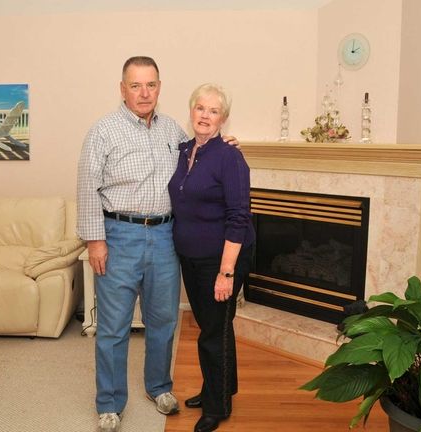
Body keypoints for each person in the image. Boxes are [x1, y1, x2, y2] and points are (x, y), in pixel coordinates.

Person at [76, 56, 188, 432]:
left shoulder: (172, 130)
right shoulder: (103, 132)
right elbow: (87, 189)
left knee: (164, 320)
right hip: (118, 236)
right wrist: (95, 242)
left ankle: (158, 387)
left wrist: (224, 144)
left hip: (164, 236)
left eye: (151, 84)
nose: (144, 92)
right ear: (122, 89)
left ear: (160, 87)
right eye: (136, 85)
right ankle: (109, 402)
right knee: (112, 327)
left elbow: (199, 165)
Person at [168, 83, 255, 432]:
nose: (205, 115)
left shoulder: (230, 157)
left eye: (213, 110)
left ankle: (217, 407)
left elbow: (239, 216)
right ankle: (219, 388)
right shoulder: (184, 149)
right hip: (192, 255)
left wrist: (227, 272)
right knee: (214, 327)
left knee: (212, 332)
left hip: (222, 258)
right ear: (191, 112)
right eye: (200, 108)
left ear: (224, 118)